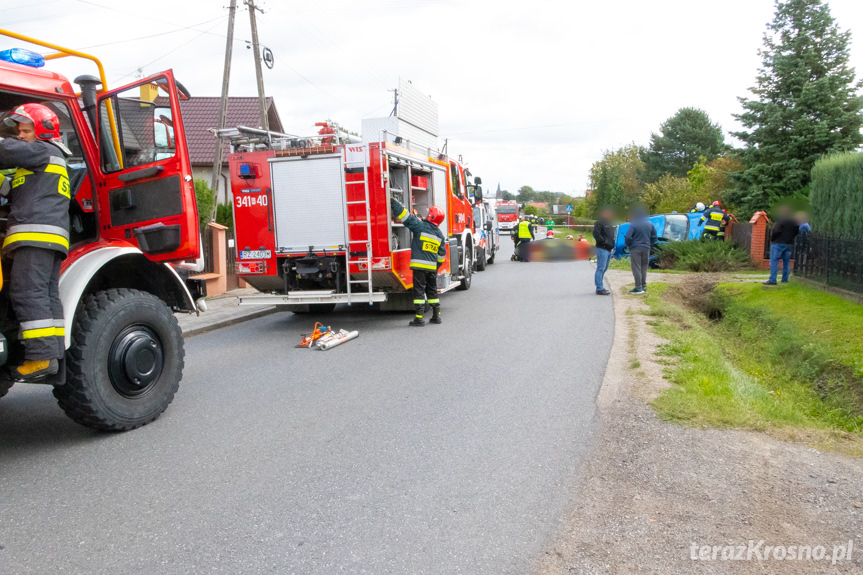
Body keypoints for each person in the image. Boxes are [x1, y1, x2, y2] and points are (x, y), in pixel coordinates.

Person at [0, 104, 71, 382]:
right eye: (18, 131)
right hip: (48, 239)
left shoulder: (43, 151)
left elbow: (5, 151)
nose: (20, 136)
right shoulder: (40, 163)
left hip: (35, 236)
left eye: (26, 130)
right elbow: (15, 192)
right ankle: (50, 355)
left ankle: (40, 357)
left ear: (42, 132)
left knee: (27, 293)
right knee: (46, 297)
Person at [390, 198, 446, 326]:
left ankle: (419, 318)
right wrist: (435, 267)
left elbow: (406, 218)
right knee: (432, 291)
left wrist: (394, 203)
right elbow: (441, 255)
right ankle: (436, 316)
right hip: (431, 269)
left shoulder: (420, 226)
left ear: (431, 216)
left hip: (419, 268)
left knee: (419, 291)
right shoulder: (439, 235)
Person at [764, 206, 799, 286]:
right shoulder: (794, 222)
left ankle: (773, 280)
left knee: (774, 261)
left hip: (778, 243)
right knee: (786, 262)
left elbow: (776, 231)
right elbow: (796, 232)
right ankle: (785, 279)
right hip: (789, 243)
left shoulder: (780, 220)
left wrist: (772, 239)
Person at [624, 207, 656, 295]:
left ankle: (638, 288)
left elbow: (628, 236)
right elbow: (654, 237)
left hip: (635, 248)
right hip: (646, 248)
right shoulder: (650, 224)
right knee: (644, 267)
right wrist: (649, 244)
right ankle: (643, 286)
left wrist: (628, 244)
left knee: (636, 267)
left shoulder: (633, 224)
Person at [592, 206, 615, 296]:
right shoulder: (599, 223)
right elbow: (596, 234)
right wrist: (604, 242)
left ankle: (600, 285)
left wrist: (611, 243)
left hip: (609, 249)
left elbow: (610, 235)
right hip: (602, 248)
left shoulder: (609, 223)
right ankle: (599, 288)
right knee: (600, 268)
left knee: (604, 268)